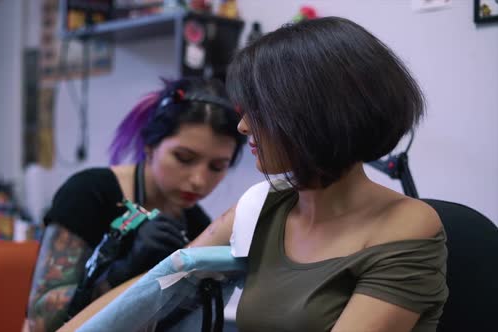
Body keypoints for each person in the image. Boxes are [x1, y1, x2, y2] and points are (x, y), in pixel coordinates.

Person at [188, 17, 449, 331]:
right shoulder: (264, 206)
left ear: (317, 114)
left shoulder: (406, 224)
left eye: (259, 109)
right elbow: (159, 285)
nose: (243, 126)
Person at [25, 77, 245, 332]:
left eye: (217, 167)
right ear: (150, 146)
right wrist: (120, 273)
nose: (199, 181)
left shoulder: (198, 226)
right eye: (184, 158)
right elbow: (42, 320)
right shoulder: (89, 194)